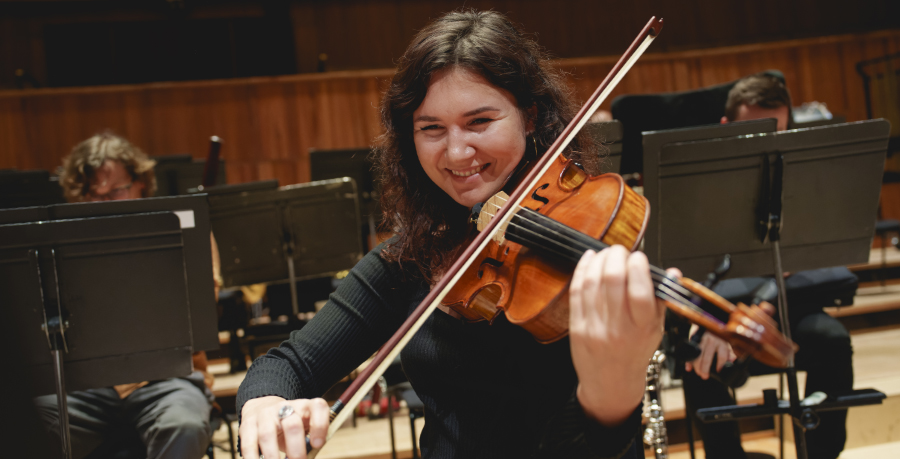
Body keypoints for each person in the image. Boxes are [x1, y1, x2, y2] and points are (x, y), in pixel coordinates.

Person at [237, 10, 670, 459]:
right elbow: (286, 365)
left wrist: (611, 394)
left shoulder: (592, 246)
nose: (457, 151)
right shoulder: (410, 262)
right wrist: (266, 402)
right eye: (431, 128)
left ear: (530, 116)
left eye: (480, 121)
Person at [683, 72, 854, 459]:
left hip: (790, 304)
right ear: (727, 127)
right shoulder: (698, 183)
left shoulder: (805, 176)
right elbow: (690, 263)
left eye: (776, 131)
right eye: (754, 131)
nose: (766, 144)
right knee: (698, 356)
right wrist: (712, 317)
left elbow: (808, 260)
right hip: (726, 309)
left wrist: (764, 304)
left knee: (833, 341)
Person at [35, 132, 215, 459]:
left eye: (116, 190)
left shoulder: (184, 231)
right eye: (94, 194)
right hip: (85, 390)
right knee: (27, 425)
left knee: (183, 426)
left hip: (168, 381)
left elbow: (203, 316)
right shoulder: (56, 246)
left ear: (141, 182)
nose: (104, 203)